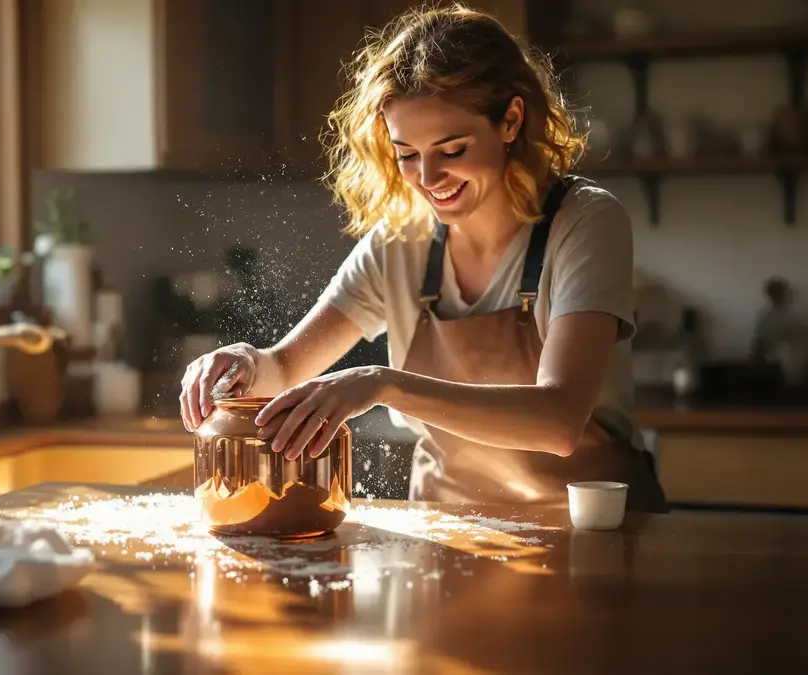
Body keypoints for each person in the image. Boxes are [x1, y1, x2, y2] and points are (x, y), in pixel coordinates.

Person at [178, 5, 667, 512]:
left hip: (590, 532)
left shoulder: (584, 222)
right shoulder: (399, 244)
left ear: (511, 120)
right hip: (449, 529)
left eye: (452, 150)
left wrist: (383, 383)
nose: (427, 179)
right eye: (407, 154)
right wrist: (243, 362)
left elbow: (559, 420)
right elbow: (285, 367)